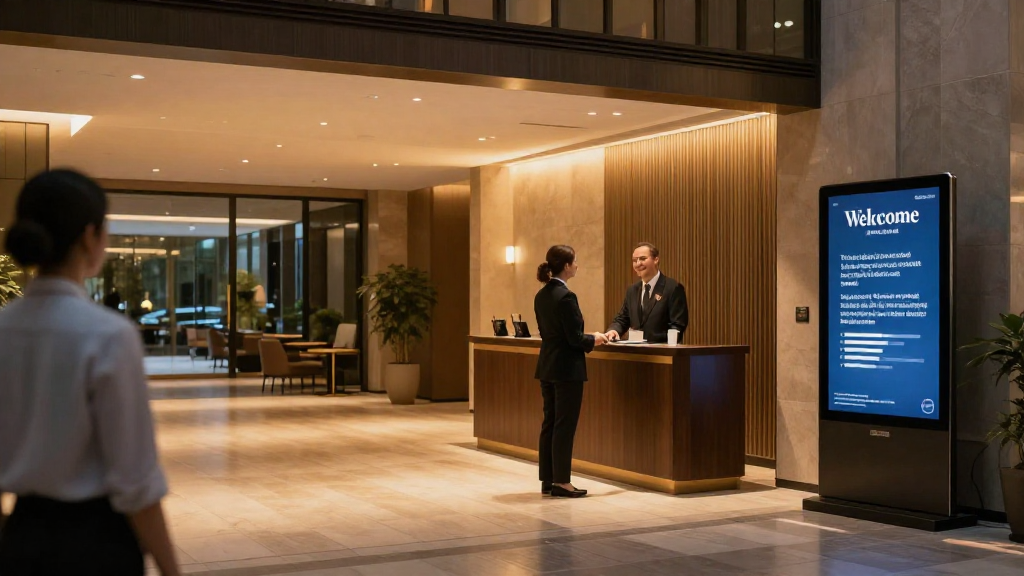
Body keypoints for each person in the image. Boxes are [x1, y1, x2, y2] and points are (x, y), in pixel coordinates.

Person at [0, 170, 179, 576]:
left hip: (20, 540)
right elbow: (136, 482)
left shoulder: (4, 329)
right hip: (96, 546)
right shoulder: (108, 334)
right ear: (89, 235)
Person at [534, 245, 608, 498]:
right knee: (564, 425)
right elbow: (574, 338)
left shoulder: (541, 295)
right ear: (566, 266)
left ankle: (548, 479)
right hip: (567, 369)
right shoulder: (566, 296)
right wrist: (595, 338)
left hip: (547, 366)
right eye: (574, 261)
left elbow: (553, 334)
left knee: (550, 423)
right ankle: (562, 482)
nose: (577, 265)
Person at [605, 242, 688, 344]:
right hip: (636, 351)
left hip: (662, 351)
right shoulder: (632, 290)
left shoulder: (673, 288)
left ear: (656, 260)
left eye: (642, 259)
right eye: (635, 260)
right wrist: (614, 330)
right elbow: (623, 319)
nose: (638, 264)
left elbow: (677, 326)